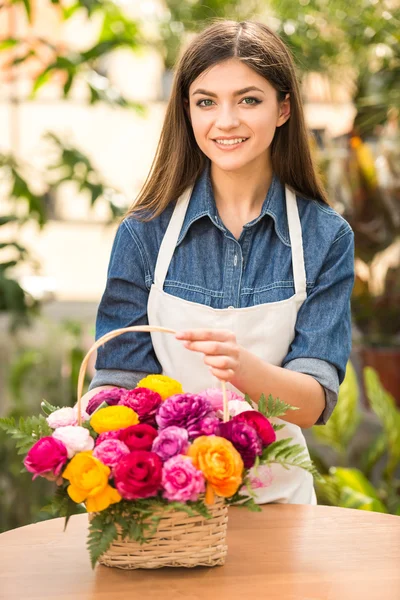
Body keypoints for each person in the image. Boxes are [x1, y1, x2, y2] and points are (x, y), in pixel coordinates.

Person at [81, 20, 354, 504]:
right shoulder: (145, 233)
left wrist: (244, 370)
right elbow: (119, 384)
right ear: (187, 111)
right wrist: (82, 433)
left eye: (249, 100)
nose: (225, 121)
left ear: (283, 108)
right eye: (206, 101)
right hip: (169, 507)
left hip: (280, 502)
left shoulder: (324, 237)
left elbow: (314, 401)